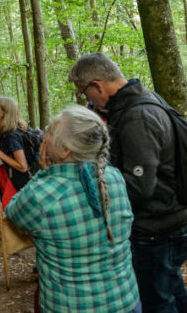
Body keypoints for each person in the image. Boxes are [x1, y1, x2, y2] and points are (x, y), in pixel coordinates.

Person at [69, 52, 187, 312]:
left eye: (85, 93)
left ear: (97, 85)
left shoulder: (138, 117)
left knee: (156, 300)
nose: (87, 100)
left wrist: (94, 194)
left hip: (157, 227)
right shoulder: (144, 99)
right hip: (168, 219)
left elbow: (138, 187)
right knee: (171, 288)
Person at [6, 105, 140, 313]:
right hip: (125, 299)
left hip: (71, 305)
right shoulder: (114, 177)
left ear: (65, 149)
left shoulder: (42, 193)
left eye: (49, 131)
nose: (43, 136)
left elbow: (14, 213)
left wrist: (44, 173)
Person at [0, 96, 30, 208]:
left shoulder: (12, 136)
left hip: (23, 185)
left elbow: (22, 166)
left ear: (4, 112)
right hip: (19, 183)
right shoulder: (5, 132)